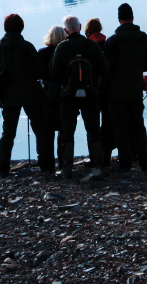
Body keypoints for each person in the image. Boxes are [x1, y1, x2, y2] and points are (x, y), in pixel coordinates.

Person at [102, 3, 147, 173]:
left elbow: (106, 68)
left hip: (116, 92)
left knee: (120, 128)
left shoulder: (113, 41)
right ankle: (145, 163)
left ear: (119, 19)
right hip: (136, 90)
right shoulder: (144, 38)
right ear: (132, 17)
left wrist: (104, 90)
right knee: (138, 126)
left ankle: (125, 164)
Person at [0, 13, 53, 177]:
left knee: (8, 132)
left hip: (8, 95)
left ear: (5, 28)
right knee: (40, 129)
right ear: (21, 27)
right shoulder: (27, 47)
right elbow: (38, 71)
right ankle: (46, 165)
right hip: (31, 94)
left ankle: (3, 168)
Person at [50, 15, 108, 179]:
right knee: (94, 130)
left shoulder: (61, 47)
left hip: (68, 96)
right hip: (90, 95)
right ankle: (100, 166)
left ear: (66, 30)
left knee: (67, 132)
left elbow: (53, 73)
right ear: (80, 27)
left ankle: (67, 168)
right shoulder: (92, 45)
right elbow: (104, 68)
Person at [38, 25, 68, 173]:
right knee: (64, 131)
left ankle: (47, 165)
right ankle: (64, 162)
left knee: (46, 132)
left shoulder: (42, 53)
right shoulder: (66, 53)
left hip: (47, 97)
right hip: (63, 96)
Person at [84, 17, 114, 161]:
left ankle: (94, 157)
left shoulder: (86, 46)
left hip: (91, 90)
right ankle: (107, 156)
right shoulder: (107, 44)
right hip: (107, 89)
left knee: (92, 125)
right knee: (107, 123)